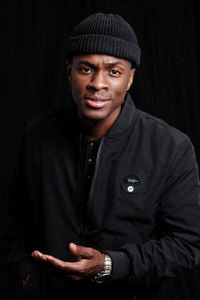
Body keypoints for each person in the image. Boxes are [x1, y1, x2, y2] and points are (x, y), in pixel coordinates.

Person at [5, 12, 200, 300]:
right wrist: (25, 273)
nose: (98, 83)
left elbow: (187, 244)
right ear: (68, 70)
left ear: (130, 78)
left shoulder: (171, 147)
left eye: (113, 71)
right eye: (86, 68)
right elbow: (14, 218)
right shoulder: (37, 136)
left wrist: (110, 265)